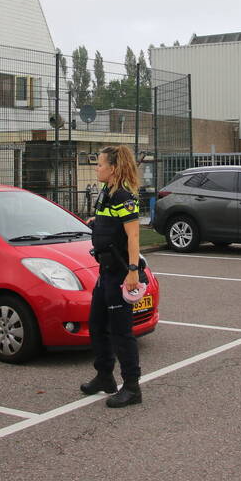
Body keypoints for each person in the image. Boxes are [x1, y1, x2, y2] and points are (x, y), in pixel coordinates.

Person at [80, 145, 144, 408]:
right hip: (105, 271)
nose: (96, 168)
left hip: (120, 272)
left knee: (121, 332)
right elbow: (111, 224)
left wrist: (132, 271)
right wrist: (95, 224)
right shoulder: (106, 192)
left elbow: (133, 235)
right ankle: (104, 376)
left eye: (100, 164)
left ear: (113, 168)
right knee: (96, 325)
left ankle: (132, 387)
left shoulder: (124, 196)